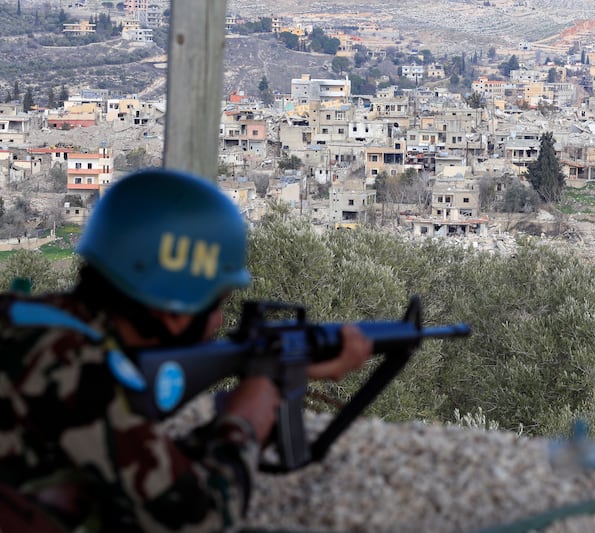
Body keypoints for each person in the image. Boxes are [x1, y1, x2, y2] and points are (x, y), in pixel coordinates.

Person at [0, 168, 372, 532]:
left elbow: (134, 460)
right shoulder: (81, 373)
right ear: (173, 311)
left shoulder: (28, 324)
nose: (218, 322)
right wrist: (246, 420)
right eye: (216, 302)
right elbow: (200, 518)